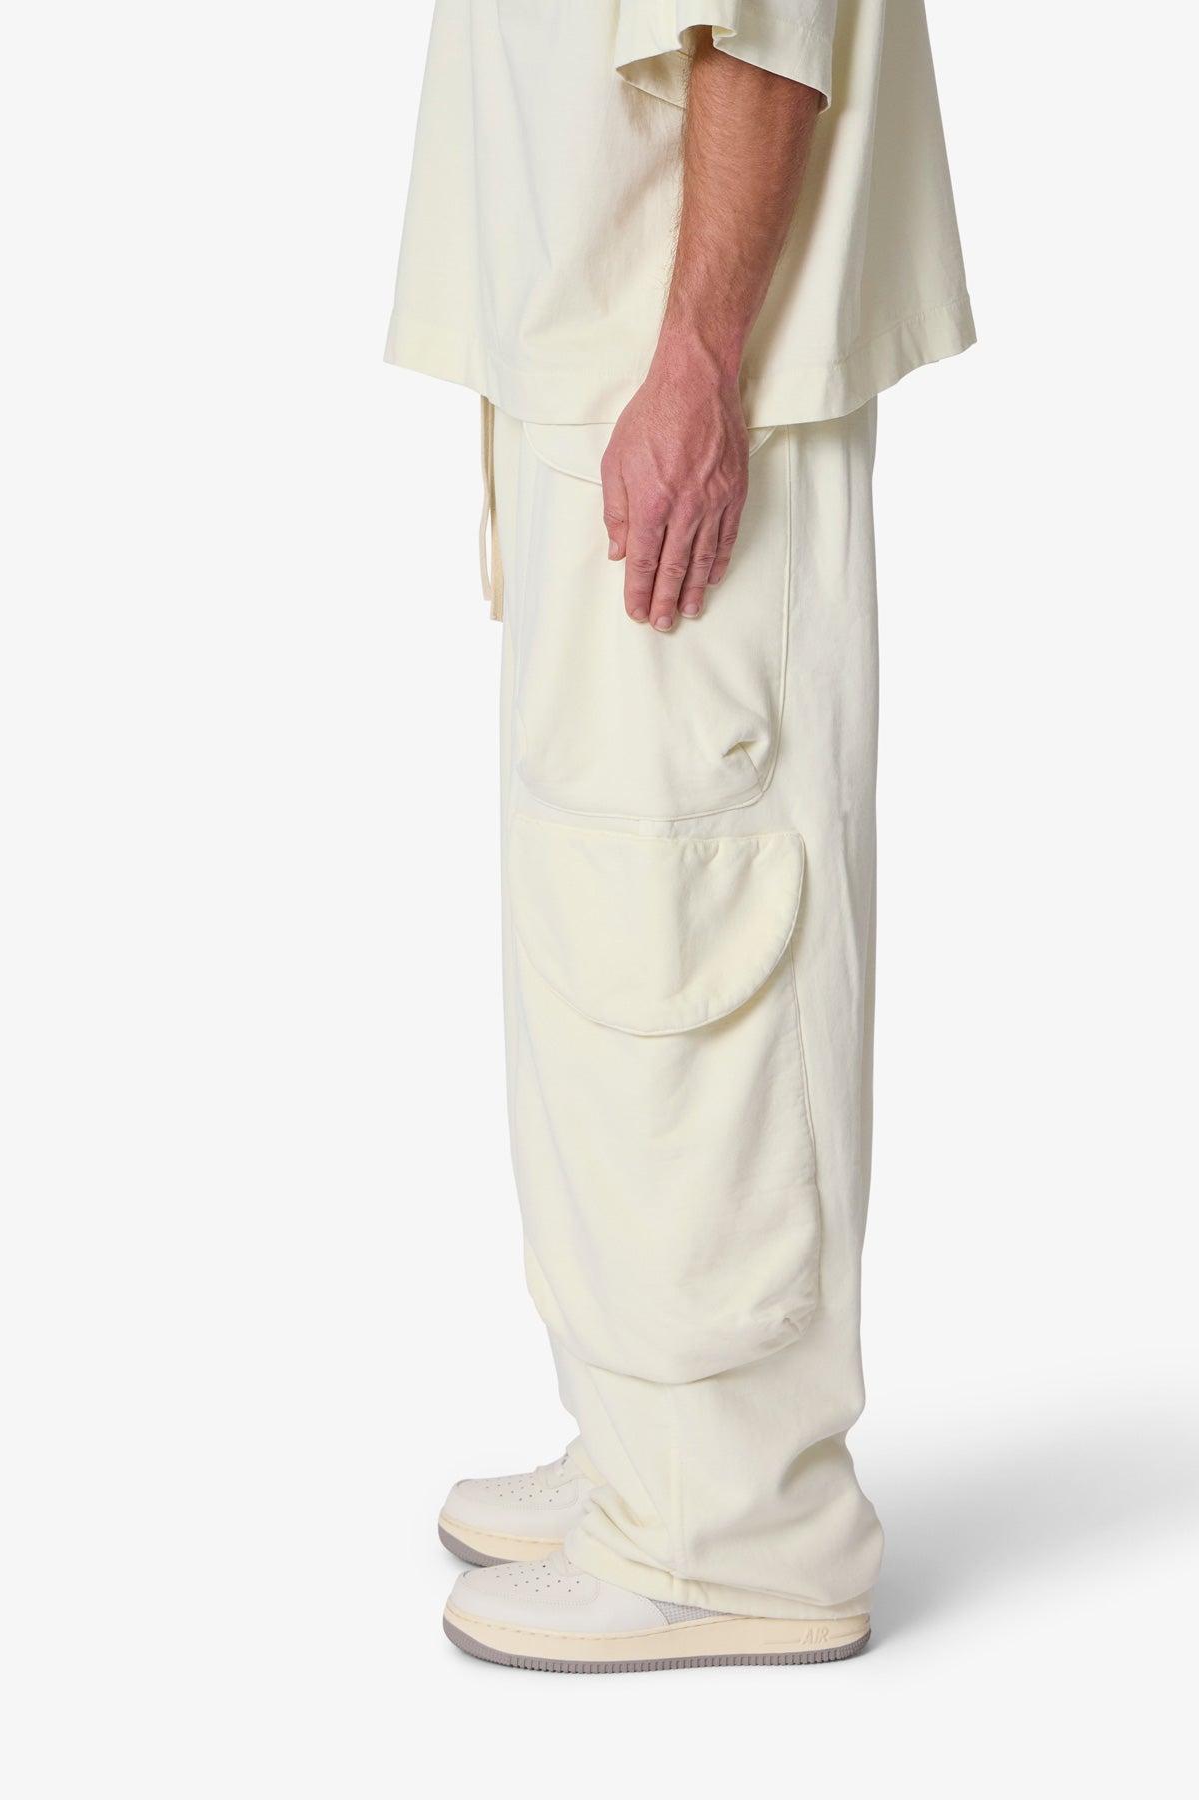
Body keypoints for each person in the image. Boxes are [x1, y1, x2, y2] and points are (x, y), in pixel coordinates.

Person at [385, 0, 973, 1673]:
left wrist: (699, 360)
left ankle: (738, 1535)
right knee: (616, 951)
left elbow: (763, 27)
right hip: (604, 370)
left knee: (701, 957)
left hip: (680, 379)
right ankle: (651, 1458)